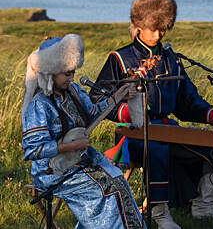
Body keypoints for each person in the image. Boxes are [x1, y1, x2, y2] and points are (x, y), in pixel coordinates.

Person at [90, 0, 213, 229]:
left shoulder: (172, 59)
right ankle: (160, 213)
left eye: (164, 27)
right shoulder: (120, 58)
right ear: (140, 25)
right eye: (155, 28)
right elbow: (97, 98)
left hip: (166, 128)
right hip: (133, 131)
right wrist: (128, 112)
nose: (160, 33)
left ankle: (203, 204)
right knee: (156, 147)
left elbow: (187, 101)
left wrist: (212, 116)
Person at [22, 34, 144, 228]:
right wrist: (71, 145)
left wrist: (119, 96)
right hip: (52, 170)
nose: (71, 78)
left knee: (118, 179)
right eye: (67, 74)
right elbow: (32, 150)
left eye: (73, 73)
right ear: (51, 72)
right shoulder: (39, 105)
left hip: (79, 158)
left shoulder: (75, 91)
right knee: (107, 188)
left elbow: (94, 113)